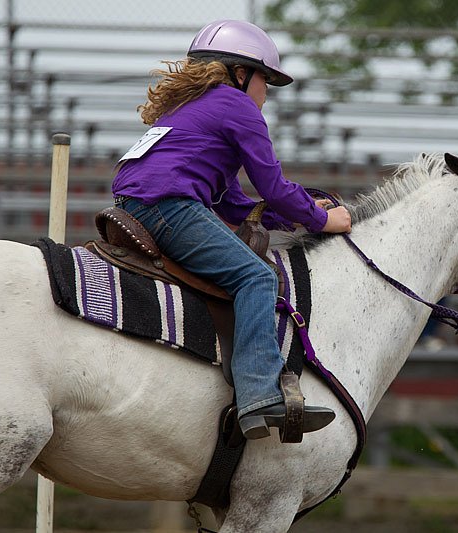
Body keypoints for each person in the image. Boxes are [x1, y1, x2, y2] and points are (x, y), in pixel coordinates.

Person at [112, 20, 352, 440]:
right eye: (266, 81)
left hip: (139, 204)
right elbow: (273, 186)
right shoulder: (236, 105)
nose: (266, 94)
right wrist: (324, 219)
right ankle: (260, 396)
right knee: (258, 276)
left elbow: (231, 201)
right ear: (241, 73)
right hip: (169, 207)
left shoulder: (190, 107)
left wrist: (296, 215)